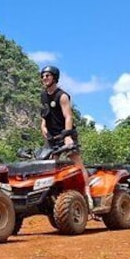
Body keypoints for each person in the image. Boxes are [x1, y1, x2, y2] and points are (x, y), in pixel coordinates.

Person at [39, 66, 90, 197]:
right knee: (48, 165)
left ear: (54, 77)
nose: (44, 78)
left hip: (65, 134)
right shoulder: (43, 96)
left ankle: (88, 193)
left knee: (77, 163)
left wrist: (67, 136)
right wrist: (43, 126)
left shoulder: (62, 96)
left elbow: (68, 116)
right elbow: (45, 114)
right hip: (52, 137)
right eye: (43, 76)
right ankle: (52, 197)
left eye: (47, 75)